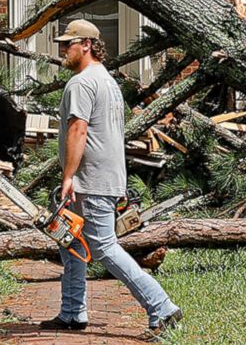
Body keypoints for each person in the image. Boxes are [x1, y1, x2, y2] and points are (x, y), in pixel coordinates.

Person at [41, 18, 183, 337]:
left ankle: (162, 307)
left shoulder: (81, 83)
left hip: (89, 180)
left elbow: (79, 129)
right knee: (71, 242)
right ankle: (72, 312)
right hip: (104, 177)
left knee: (104, 247)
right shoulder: (106, 80)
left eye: (68, 44)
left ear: (87, 45)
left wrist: (68, 177)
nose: (63, 49)